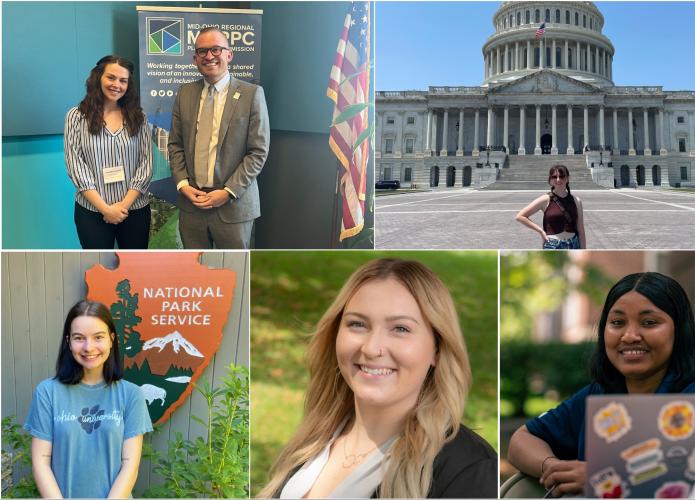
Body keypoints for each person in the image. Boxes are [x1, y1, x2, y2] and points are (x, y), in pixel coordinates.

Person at [257, 258, 497, 498]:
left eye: (400, 329)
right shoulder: (315, 440)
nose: (372, 348)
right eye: (358, 324)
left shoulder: (469, 469)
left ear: (437, 349)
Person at [507, 272, 695, 497]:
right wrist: (552, 467)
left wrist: (603, 478)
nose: (630, 335)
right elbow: (521, 441)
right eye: (617, 322)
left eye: (649, 322)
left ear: (679, 331)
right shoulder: (596, 396)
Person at [24, 300, 152, 498]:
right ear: (68, 341)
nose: (88, 347)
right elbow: (41, 461)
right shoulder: (47, 393)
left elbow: (130, 465)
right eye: (79, 338)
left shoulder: (131, 395)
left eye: (98, 337)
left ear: (111, 339)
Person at [168, 26, 270, 249]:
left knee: (235, 273)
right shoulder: (184, 93)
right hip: (191, 205)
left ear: (229, 55)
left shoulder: (252, 94)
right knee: (196, 275)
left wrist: (227, 192)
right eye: (202, 51)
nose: (209, 56)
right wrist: (183, 184)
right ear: (195, 58)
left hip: (233, 207)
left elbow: (258, 152)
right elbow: (175, 145)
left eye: (216, 49)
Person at [64, 55, 153, 249]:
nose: (117, 85)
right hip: (92, 211)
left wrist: (122, 207)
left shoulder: (139, 117)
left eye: (123, 81)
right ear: (98, 78)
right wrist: (105, 209)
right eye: (111, 78)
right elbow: (76, 166)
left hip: (134, 210)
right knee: (98, 269)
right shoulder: (76, 117)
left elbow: (146, 163)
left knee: (135, 269)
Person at [515, 165, 586, 250]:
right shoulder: (545, 199)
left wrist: (584, 251)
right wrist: (540, 231)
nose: (558, 180)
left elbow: (581, 230)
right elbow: (520, 216)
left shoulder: (576, 201)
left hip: (573, 244)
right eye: (554, 177)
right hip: (553, 245)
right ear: (550, 180)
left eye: (562, 176)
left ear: (568, 178)